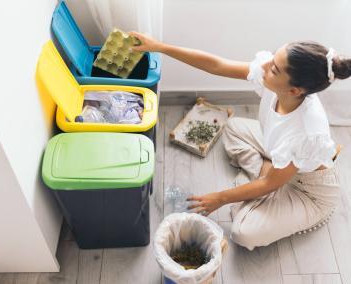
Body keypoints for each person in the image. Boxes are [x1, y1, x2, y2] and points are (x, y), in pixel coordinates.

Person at [130, 32, 351, 250]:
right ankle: (266, 175)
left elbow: (269, 184)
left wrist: (220, 198)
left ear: (294, 90)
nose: (264, 66)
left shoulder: (306, 131)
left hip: (308, 190)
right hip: (280, 160)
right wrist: (159, 47)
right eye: (273, 58)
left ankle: (269, 188)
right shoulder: (276, 79)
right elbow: (217, 65)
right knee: (234, 128)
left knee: (243, 233)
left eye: (273, 68)